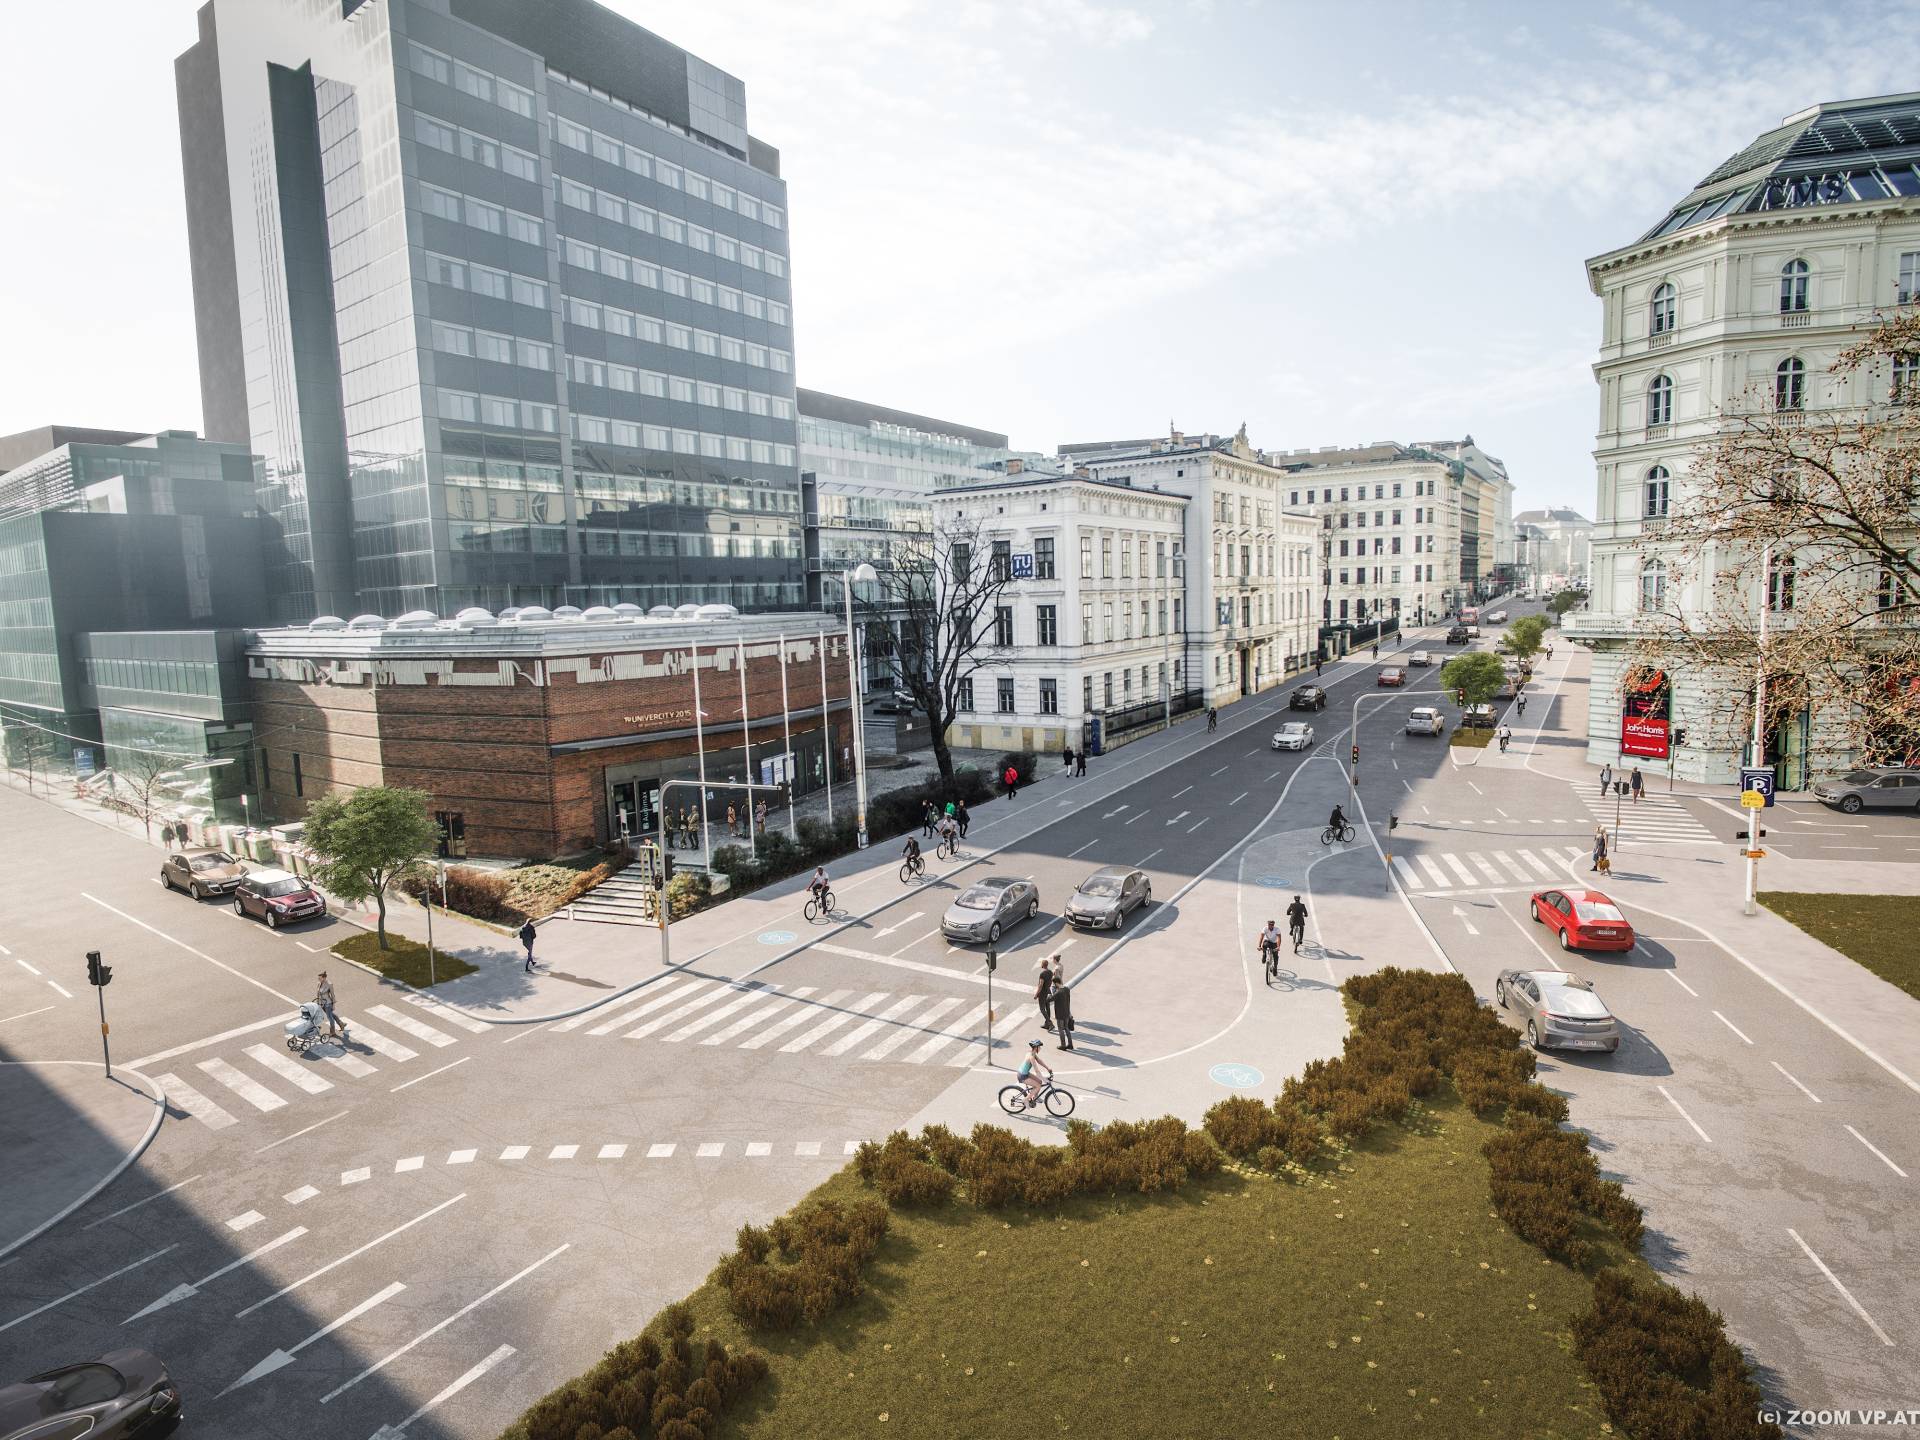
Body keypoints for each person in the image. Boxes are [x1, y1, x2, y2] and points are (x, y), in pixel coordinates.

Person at [1018, 1038, 1052, 1106]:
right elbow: (1037, 1072)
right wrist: (1046, 1080)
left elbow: (1039, 1061)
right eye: (1039, 1047)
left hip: (1025, 1073)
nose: (1040, 1048)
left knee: (1039, 1081)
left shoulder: (1032, 1053)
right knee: (1038, 1086)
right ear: (1036, 1047)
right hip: (1022, 1076)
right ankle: (1025, 1100)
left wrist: (1047, 1068)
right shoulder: (1031, 1057)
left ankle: (1035, 1097)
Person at [314, 970, 342, 1039]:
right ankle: (341, 1024)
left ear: (324, 978)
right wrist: (318, 1001)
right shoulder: (319, 983)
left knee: (330, 1018)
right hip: (322, 1003)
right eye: (318, 978)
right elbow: (318, 993)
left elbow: (332, 995)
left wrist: (334, 1004)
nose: (319, 979)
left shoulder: (329, 984)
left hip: (328, 1003)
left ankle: (332, 1032)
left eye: (320, 978)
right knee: (331, 1014)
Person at [1052, 979, 1076, 1051]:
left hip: (1060, 1014)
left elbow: (1050, 999)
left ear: (1056, 983)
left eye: (1054, 984)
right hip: (1066, 1013)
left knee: (1060, 1029)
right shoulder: (1067, 989)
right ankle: (1070, 1044)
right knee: (1066, 1028)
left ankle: (1063, 1045)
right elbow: (1068, 1000)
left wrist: (1051, 992)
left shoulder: (1058, 992)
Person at [1035, 959, 1056, 1032]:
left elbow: (1041, 985)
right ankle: (1047, 1024)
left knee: (1042, 1009)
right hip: (1048, 991)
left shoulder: (1042, 974)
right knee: (1047, 1008)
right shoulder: (1050, 972)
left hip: (1042, 993)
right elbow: (1051, 980)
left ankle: (1050, 1024)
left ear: (1042, 965)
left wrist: (1036, 994)